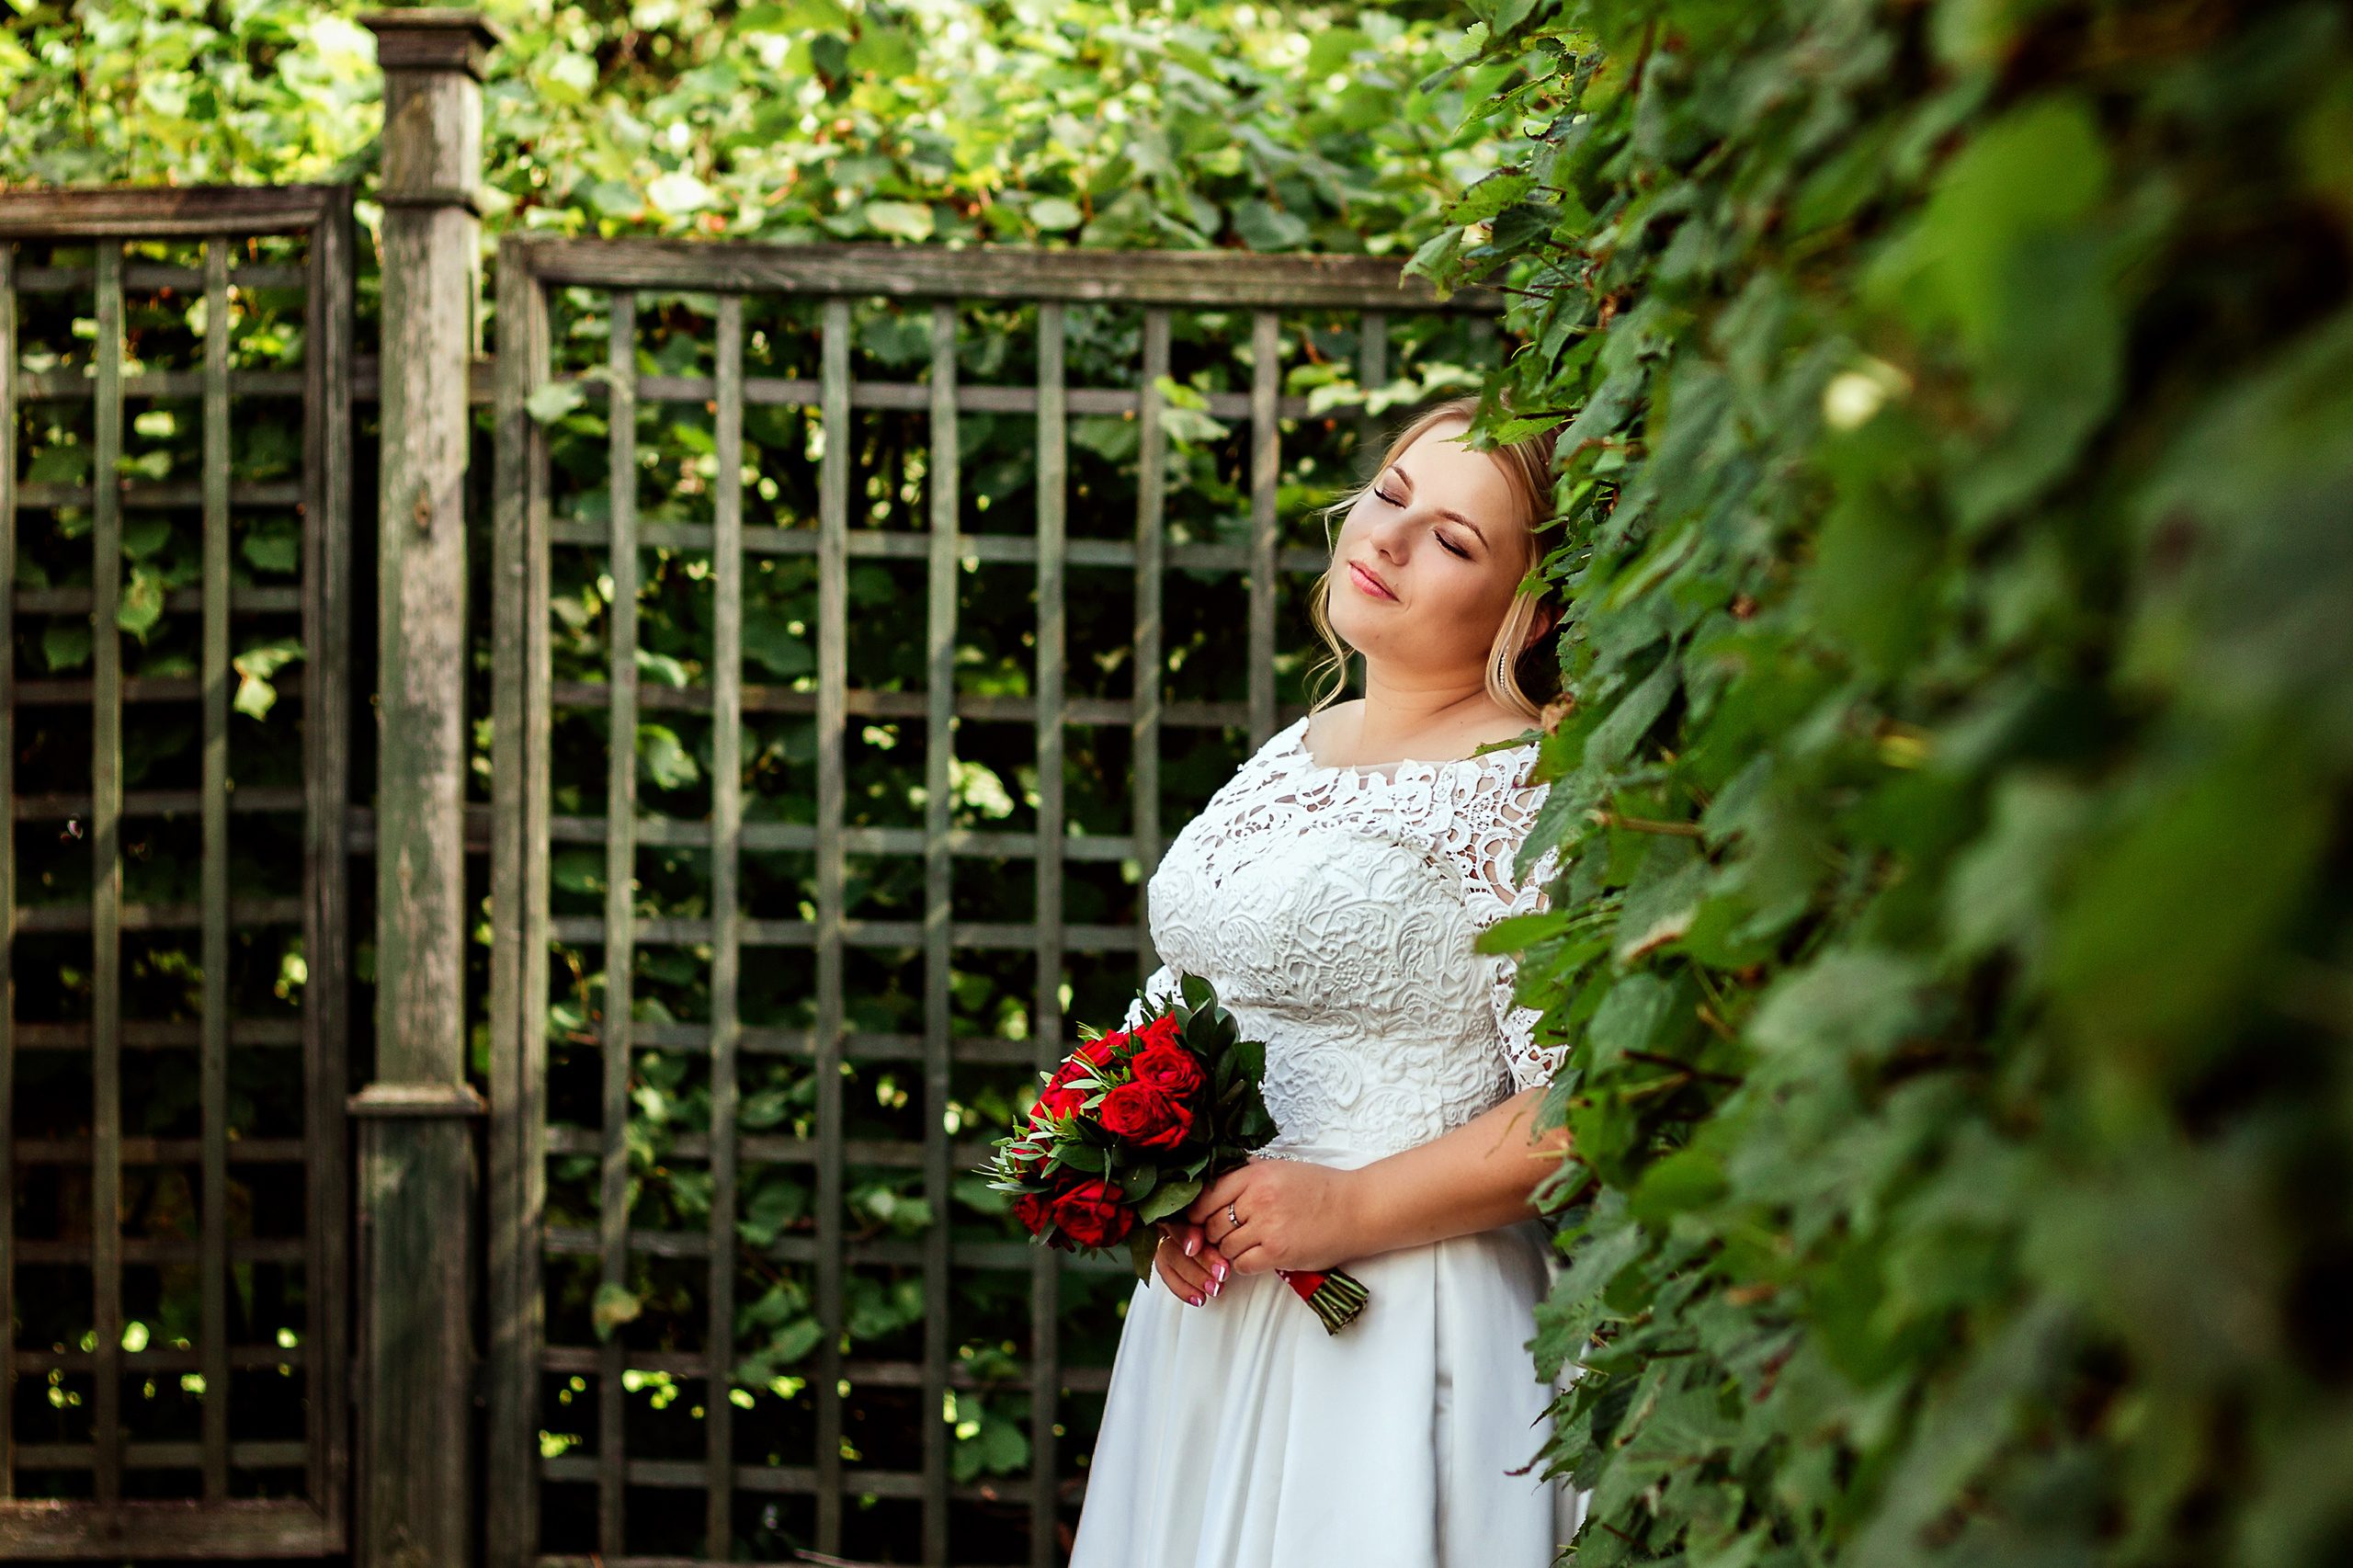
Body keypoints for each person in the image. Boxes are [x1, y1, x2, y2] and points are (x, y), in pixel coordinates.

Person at [1068, 398, 1576, 1568]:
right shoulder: (1298, 746)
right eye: (1392, 495)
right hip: (1212, 1321)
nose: (1386, 540)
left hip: (1403, 1332)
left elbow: (1587, 1103)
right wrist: (1156, 1182)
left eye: (1453, 539)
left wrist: (1345, 1208)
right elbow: (1202, 992)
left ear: (1529, 604)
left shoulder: (1526, 786)